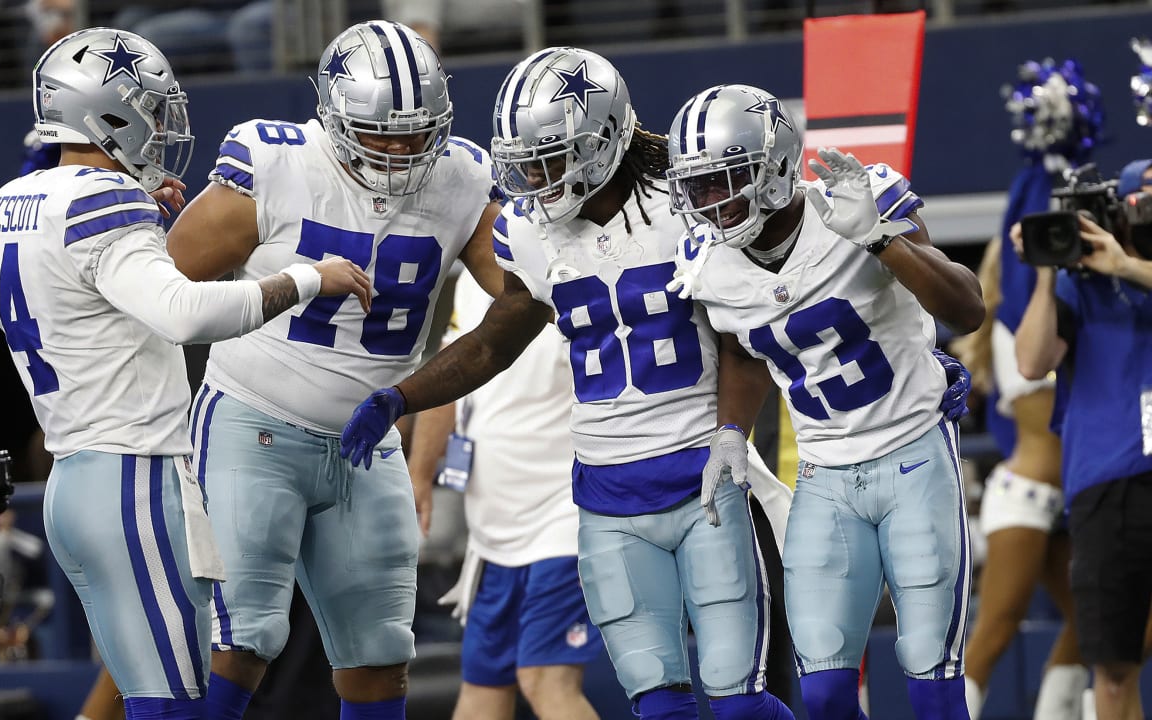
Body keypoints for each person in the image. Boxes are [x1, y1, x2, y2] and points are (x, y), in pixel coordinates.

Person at [342, 47, 799, 720]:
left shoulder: (687, 202)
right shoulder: (529, 230)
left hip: (704, 481)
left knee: (741, 704)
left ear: (606, 137)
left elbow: (746, 334)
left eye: (552, 155)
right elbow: (496, 339)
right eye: (524, 159)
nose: (534, 175)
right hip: (607, 498)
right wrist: (401, 398)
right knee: (659, 707)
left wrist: (732, 432)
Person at [0, 27, 370, 719]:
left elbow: (90, 293)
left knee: (149, 702)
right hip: (135, 476)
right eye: (149, 109)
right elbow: (185, 313)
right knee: (178, 708)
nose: (159, 127)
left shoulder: (11, 203)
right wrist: (308, 277)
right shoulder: (104, 200)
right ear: (108, 110)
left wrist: (143, 232)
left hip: (73, 479)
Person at [162, 20, 503, 720]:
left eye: (418, 131)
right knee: (242, 635)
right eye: (382, 133)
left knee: (381, 651)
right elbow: (163, 289)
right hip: (252, 420)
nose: (404, 149)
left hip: (367, 438)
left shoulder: (463, 178)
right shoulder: (278, 163)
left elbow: (521, 292)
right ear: (334, 116)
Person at [663, 84, 984, 720]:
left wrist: (882, 238)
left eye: (725, 179)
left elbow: (966, 308)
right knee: (828, 691)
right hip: (823, 471)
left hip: (912, 453)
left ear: (777, 164)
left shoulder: (859, 204)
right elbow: (743, 345)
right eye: (696, 187)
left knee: (931, 671)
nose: (710, 203)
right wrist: (731, 430)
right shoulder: (711, 263)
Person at [956, 58, 1101, 720]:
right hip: (1032, 488)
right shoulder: (1021, 317)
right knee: (992, 634)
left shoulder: (1038, 318)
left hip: (1077, 490)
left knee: (1107, 627)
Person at [406, 268, 603, 720]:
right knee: (482, 686)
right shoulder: (471, 279)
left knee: (545, 681)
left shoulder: (578, 268)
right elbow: (450, 377)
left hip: (564, 522)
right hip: (491, 534)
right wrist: (418, 475)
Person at [1013, 161, 1152, 720]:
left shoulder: (1123, 266)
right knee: (1114, 669)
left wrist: (1128, 265)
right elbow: (1030, 361)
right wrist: (1048, 270)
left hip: (1111, 479)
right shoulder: (1078, 284)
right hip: (1107, 482)